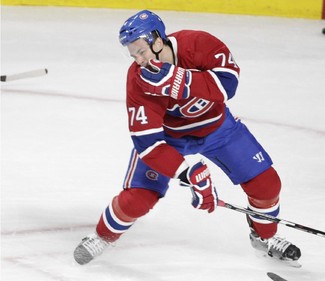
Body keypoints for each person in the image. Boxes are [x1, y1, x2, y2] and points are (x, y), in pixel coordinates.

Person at [73, 9, 301, 265]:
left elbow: (229, 84)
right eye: (132, 53)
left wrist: (180, 79)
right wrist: (187, 173)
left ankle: (264, 236)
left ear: (158, 41)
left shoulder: (197, 44)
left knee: (267, 184)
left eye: (141, 51)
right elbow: (146, 141)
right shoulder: (139, 78)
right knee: (139, 199)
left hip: (217, 128)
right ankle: (102, 236)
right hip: (170, 139)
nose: (138, 59)